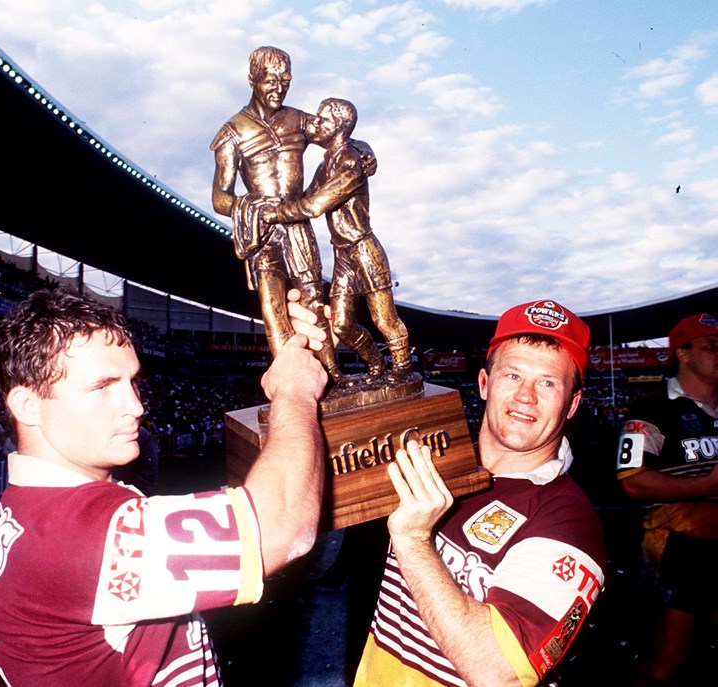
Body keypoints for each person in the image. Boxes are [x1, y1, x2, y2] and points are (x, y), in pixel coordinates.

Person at [0, 287, 328, 686]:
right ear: (27, 405)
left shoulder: (34, 510)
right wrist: (294, 391)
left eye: (131, 382)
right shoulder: (77, 534)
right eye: (102, 386)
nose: (136, 406)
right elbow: (282, 527)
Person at [290, 295, 607, 685]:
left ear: (573, 404)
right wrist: (316, 358)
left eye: (548, 383)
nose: (526, 395)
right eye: (513, 375)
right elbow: (308, 545)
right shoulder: (433, 457)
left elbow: (499, 673)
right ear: (484, 383)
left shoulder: (570, 523)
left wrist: (412, 539)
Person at [211, 46, 374, 385]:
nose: (279, 89)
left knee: (315, 301)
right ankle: (291, 380)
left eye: (285, 81)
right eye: (271, 81)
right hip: (263, 228)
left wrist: (367, 152)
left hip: (297, 226)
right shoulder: (233, 131)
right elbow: (219, 197)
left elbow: (340, 135)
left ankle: (333, 375)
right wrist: (245, 205)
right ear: (252, 80)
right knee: (273, 308)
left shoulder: (297, 119)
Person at [263, 98, 412, 382]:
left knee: (384, 319)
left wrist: (274, 213)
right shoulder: (327, 163)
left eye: (323, 119)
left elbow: (314, 206)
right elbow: (304, 198)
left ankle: (403, 369)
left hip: (365, 250)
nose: (317, 124)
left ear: (340, 126)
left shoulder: (352, 161)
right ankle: (377, 365)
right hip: (343, 254)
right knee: (342, 325)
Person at [616, 312, 718, 686]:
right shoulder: (651, 409)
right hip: (681, 548)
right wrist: (705, 484)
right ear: (683, 354)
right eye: (711, 346)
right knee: (663, 666)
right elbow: (632, 482)